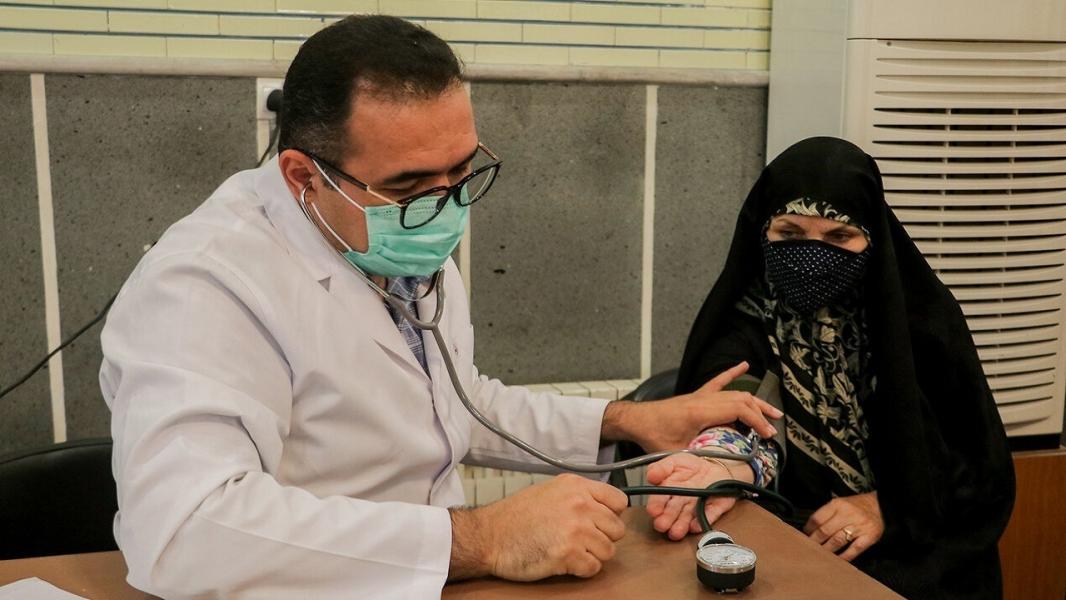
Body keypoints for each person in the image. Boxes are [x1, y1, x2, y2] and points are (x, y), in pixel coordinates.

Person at [99, 15, 781, 599]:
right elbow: (183, 530)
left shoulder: (382, 231)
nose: (446, 207)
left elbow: (447, 402)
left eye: (460, 172)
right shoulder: (202, 285)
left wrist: (627, 420)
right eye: (409, 186)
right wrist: (483, 539)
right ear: (304, 176)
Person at [645, 137, 1015, 599]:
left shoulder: (920, 324)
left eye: (839, 237)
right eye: (790, 234)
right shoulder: (746, 317)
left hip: (919, 549)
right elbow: (738, 403)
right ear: (763, 231)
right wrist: (727, 465)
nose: (811, 256)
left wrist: (886, 508)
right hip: (787, 545)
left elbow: (979, 469)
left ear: (873, 238)